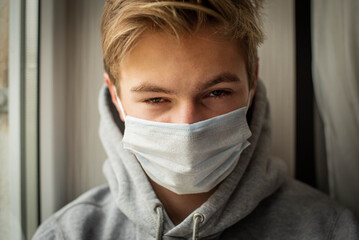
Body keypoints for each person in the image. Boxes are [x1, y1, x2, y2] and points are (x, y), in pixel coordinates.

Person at [33, 0, 359, 239]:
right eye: (156, 99)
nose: (187, 127)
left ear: (252, 80)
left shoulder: (330, 229)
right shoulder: (66, 234)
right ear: (116, 97)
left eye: (216, 93)